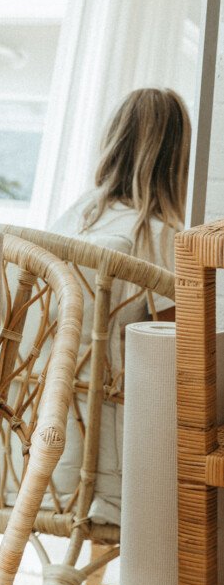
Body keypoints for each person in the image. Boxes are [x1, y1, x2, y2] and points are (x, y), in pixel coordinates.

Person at [46, 86, 190, 523]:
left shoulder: (72, 222)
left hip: (39, 453)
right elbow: (175, 361)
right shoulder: (160, 237)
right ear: (176, 157)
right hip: (112, 469)